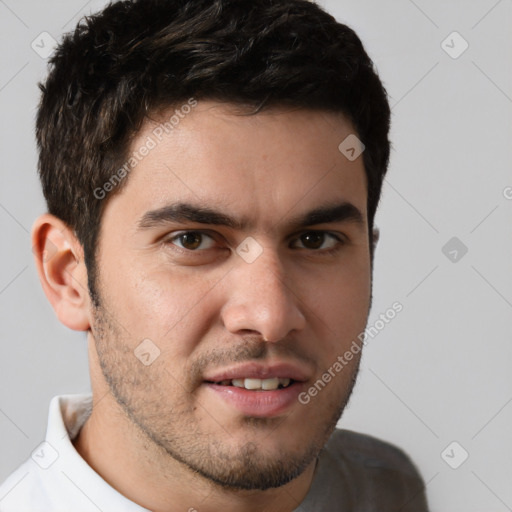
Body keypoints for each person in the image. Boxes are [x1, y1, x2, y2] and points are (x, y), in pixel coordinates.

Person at [0, 0, 429, 510]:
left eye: (314, 240)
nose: (270, 317)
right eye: (193, 240)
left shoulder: (393, 487)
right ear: (69, 277)